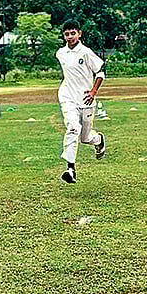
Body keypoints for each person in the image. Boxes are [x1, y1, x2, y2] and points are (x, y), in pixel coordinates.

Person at [55, 20, 107, 183]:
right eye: (66, 34)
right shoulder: (60, 53)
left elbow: (100, 71)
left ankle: (99, 140)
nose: (70, 37)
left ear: (79, 34)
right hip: (67, 97)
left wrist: (93, 91)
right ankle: (70, 169)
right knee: (72, 128)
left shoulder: (85, 52)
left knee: (85, 137)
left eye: (73, 33)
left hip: (85, 99)